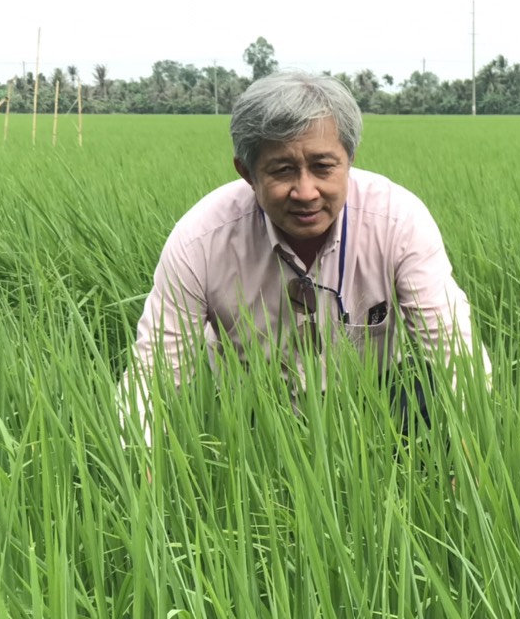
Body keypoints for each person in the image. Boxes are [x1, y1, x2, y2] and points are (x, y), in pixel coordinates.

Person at [119, 70, 489, 446]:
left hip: (375, 406)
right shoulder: (201, 238)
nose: (306, 192)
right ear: (246, 172)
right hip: (252, 414)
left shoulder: (398, 221)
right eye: (282, 170)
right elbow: (155, 371)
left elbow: (453, 351)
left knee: (424, 395)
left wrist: (474, 452)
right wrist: (141, 460)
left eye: (323, 167)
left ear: (350, 160)